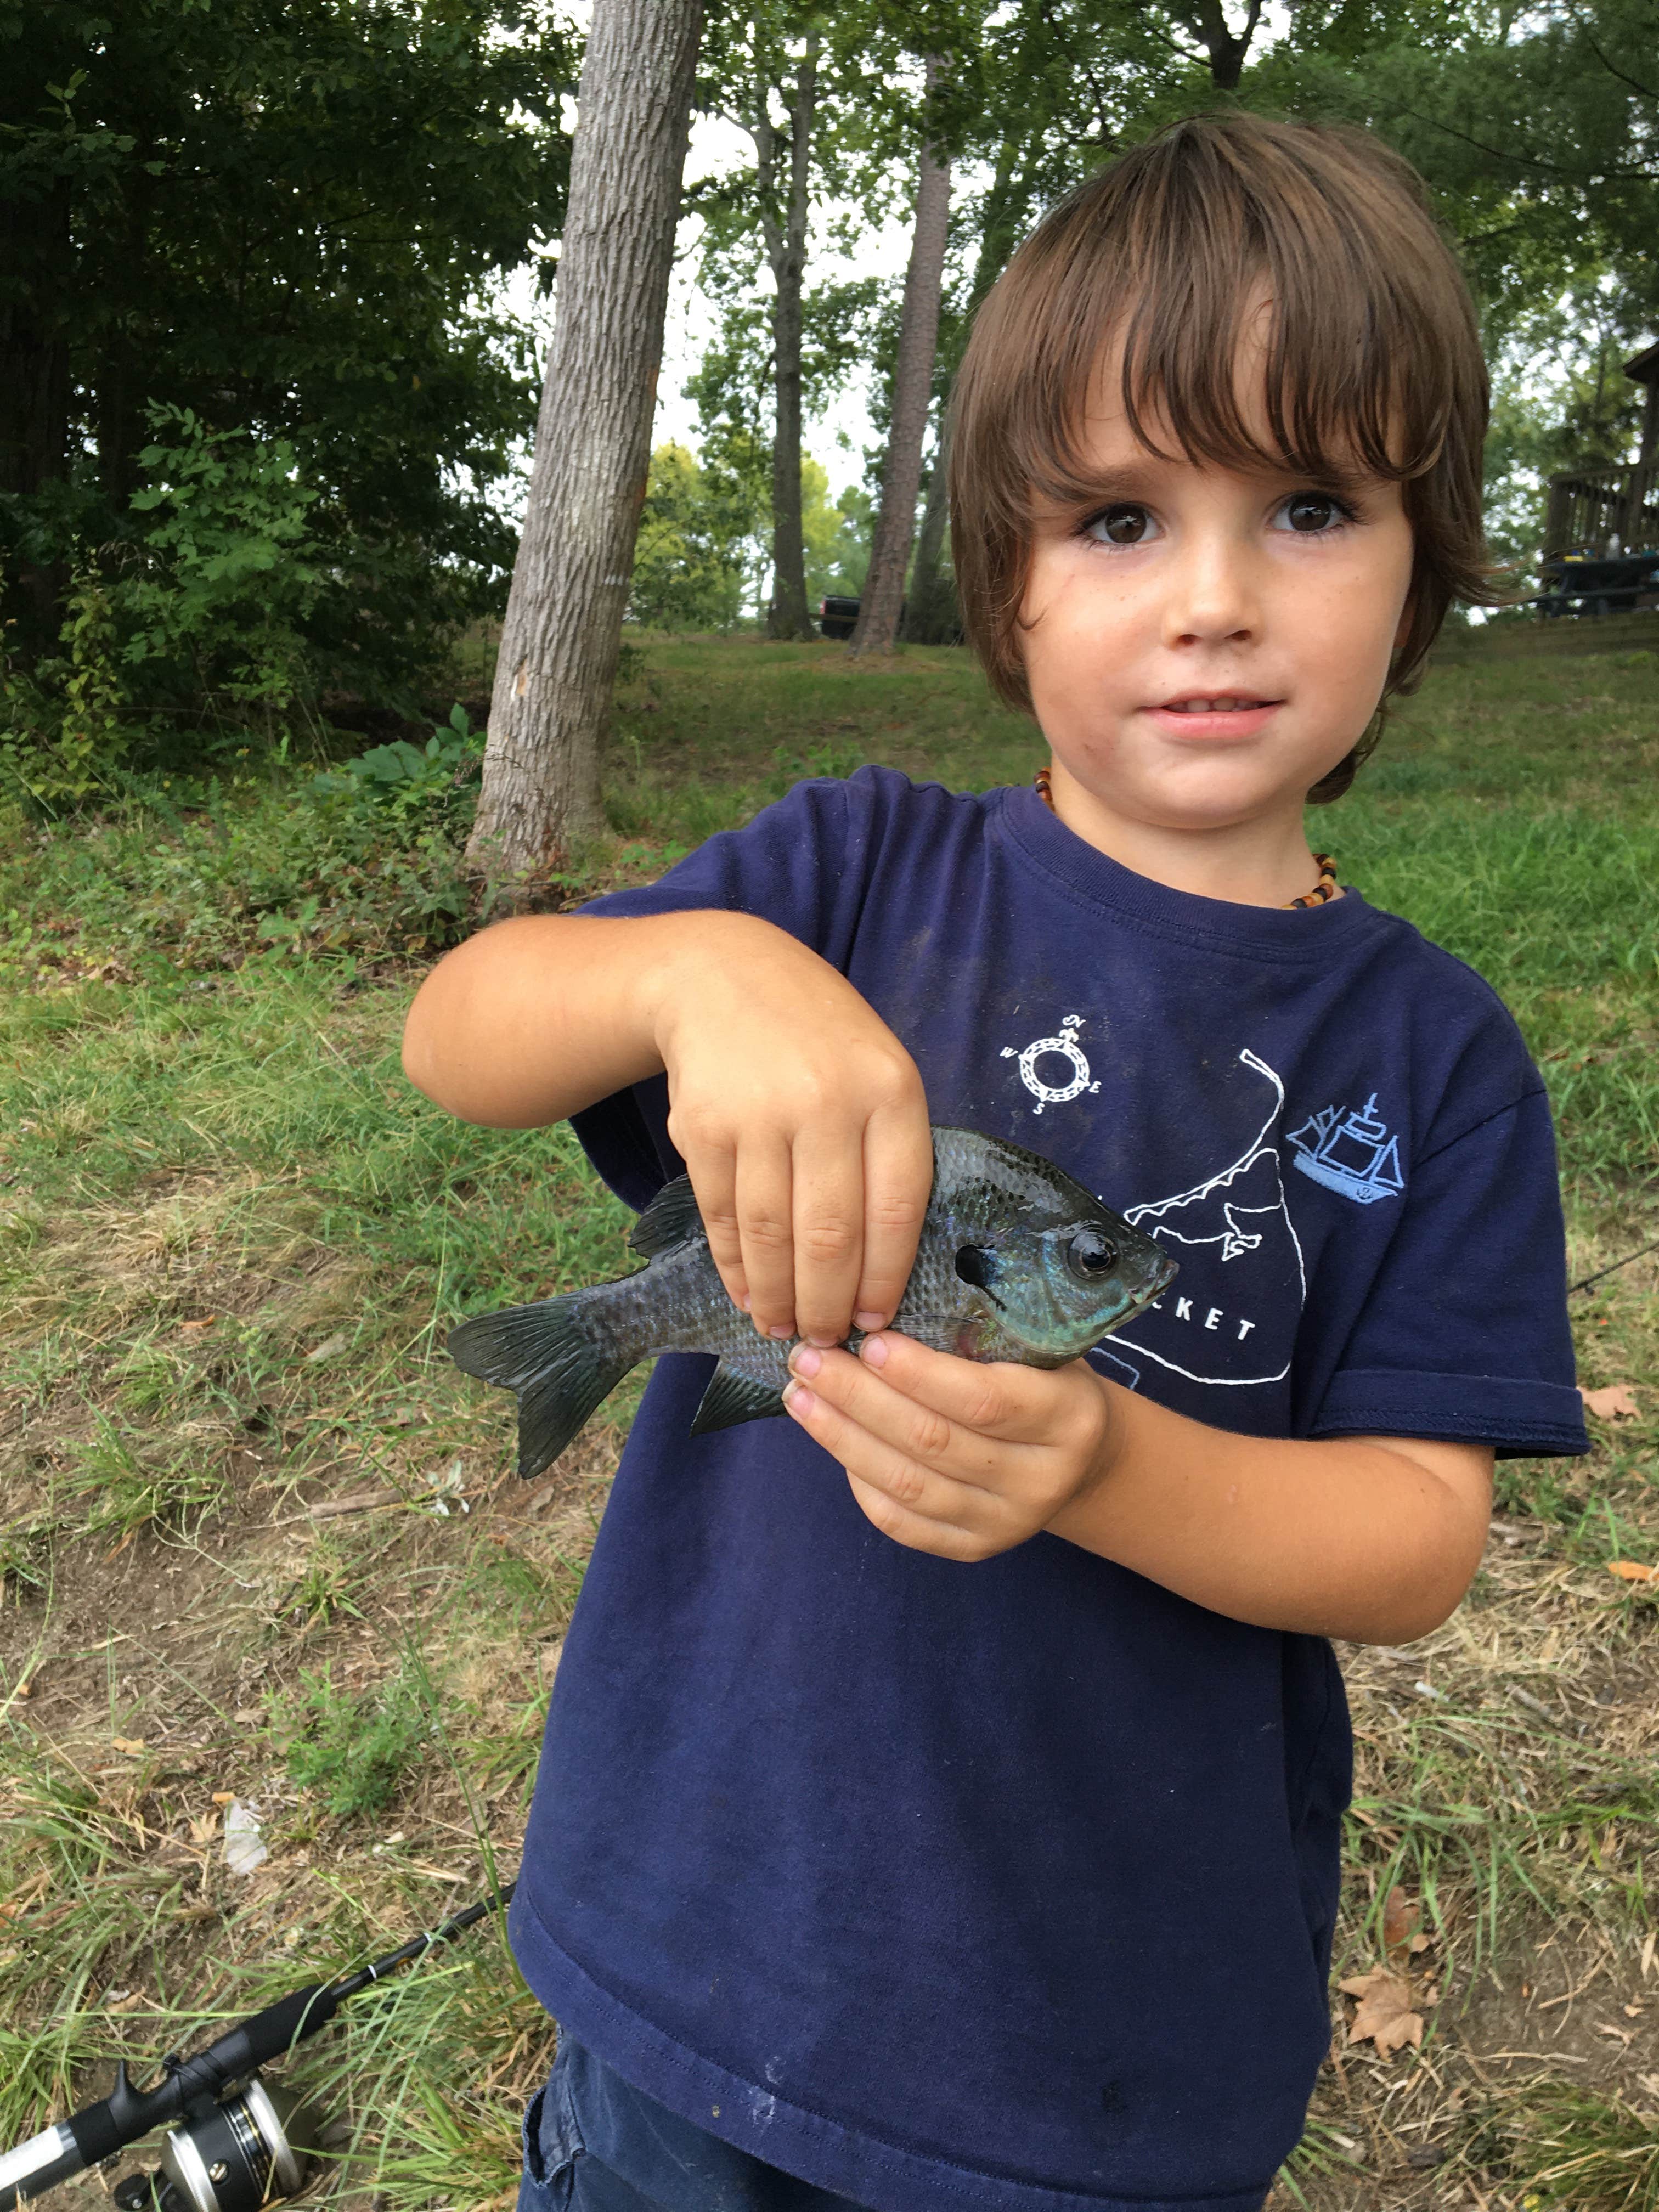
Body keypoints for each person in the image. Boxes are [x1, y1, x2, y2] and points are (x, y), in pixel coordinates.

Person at [403, 111, 1587, 2212]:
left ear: (1425, 557)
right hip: (697, 1942)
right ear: (1005, 581)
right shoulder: (856, 870)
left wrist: (1107, 1465)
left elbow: (1415, 1545)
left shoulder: (1436, 1060)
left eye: (1311, 505)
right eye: (1120, 519)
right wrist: (694, 969)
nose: (1214, 601)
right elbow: (462, 1034)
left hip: (1096, 2049)